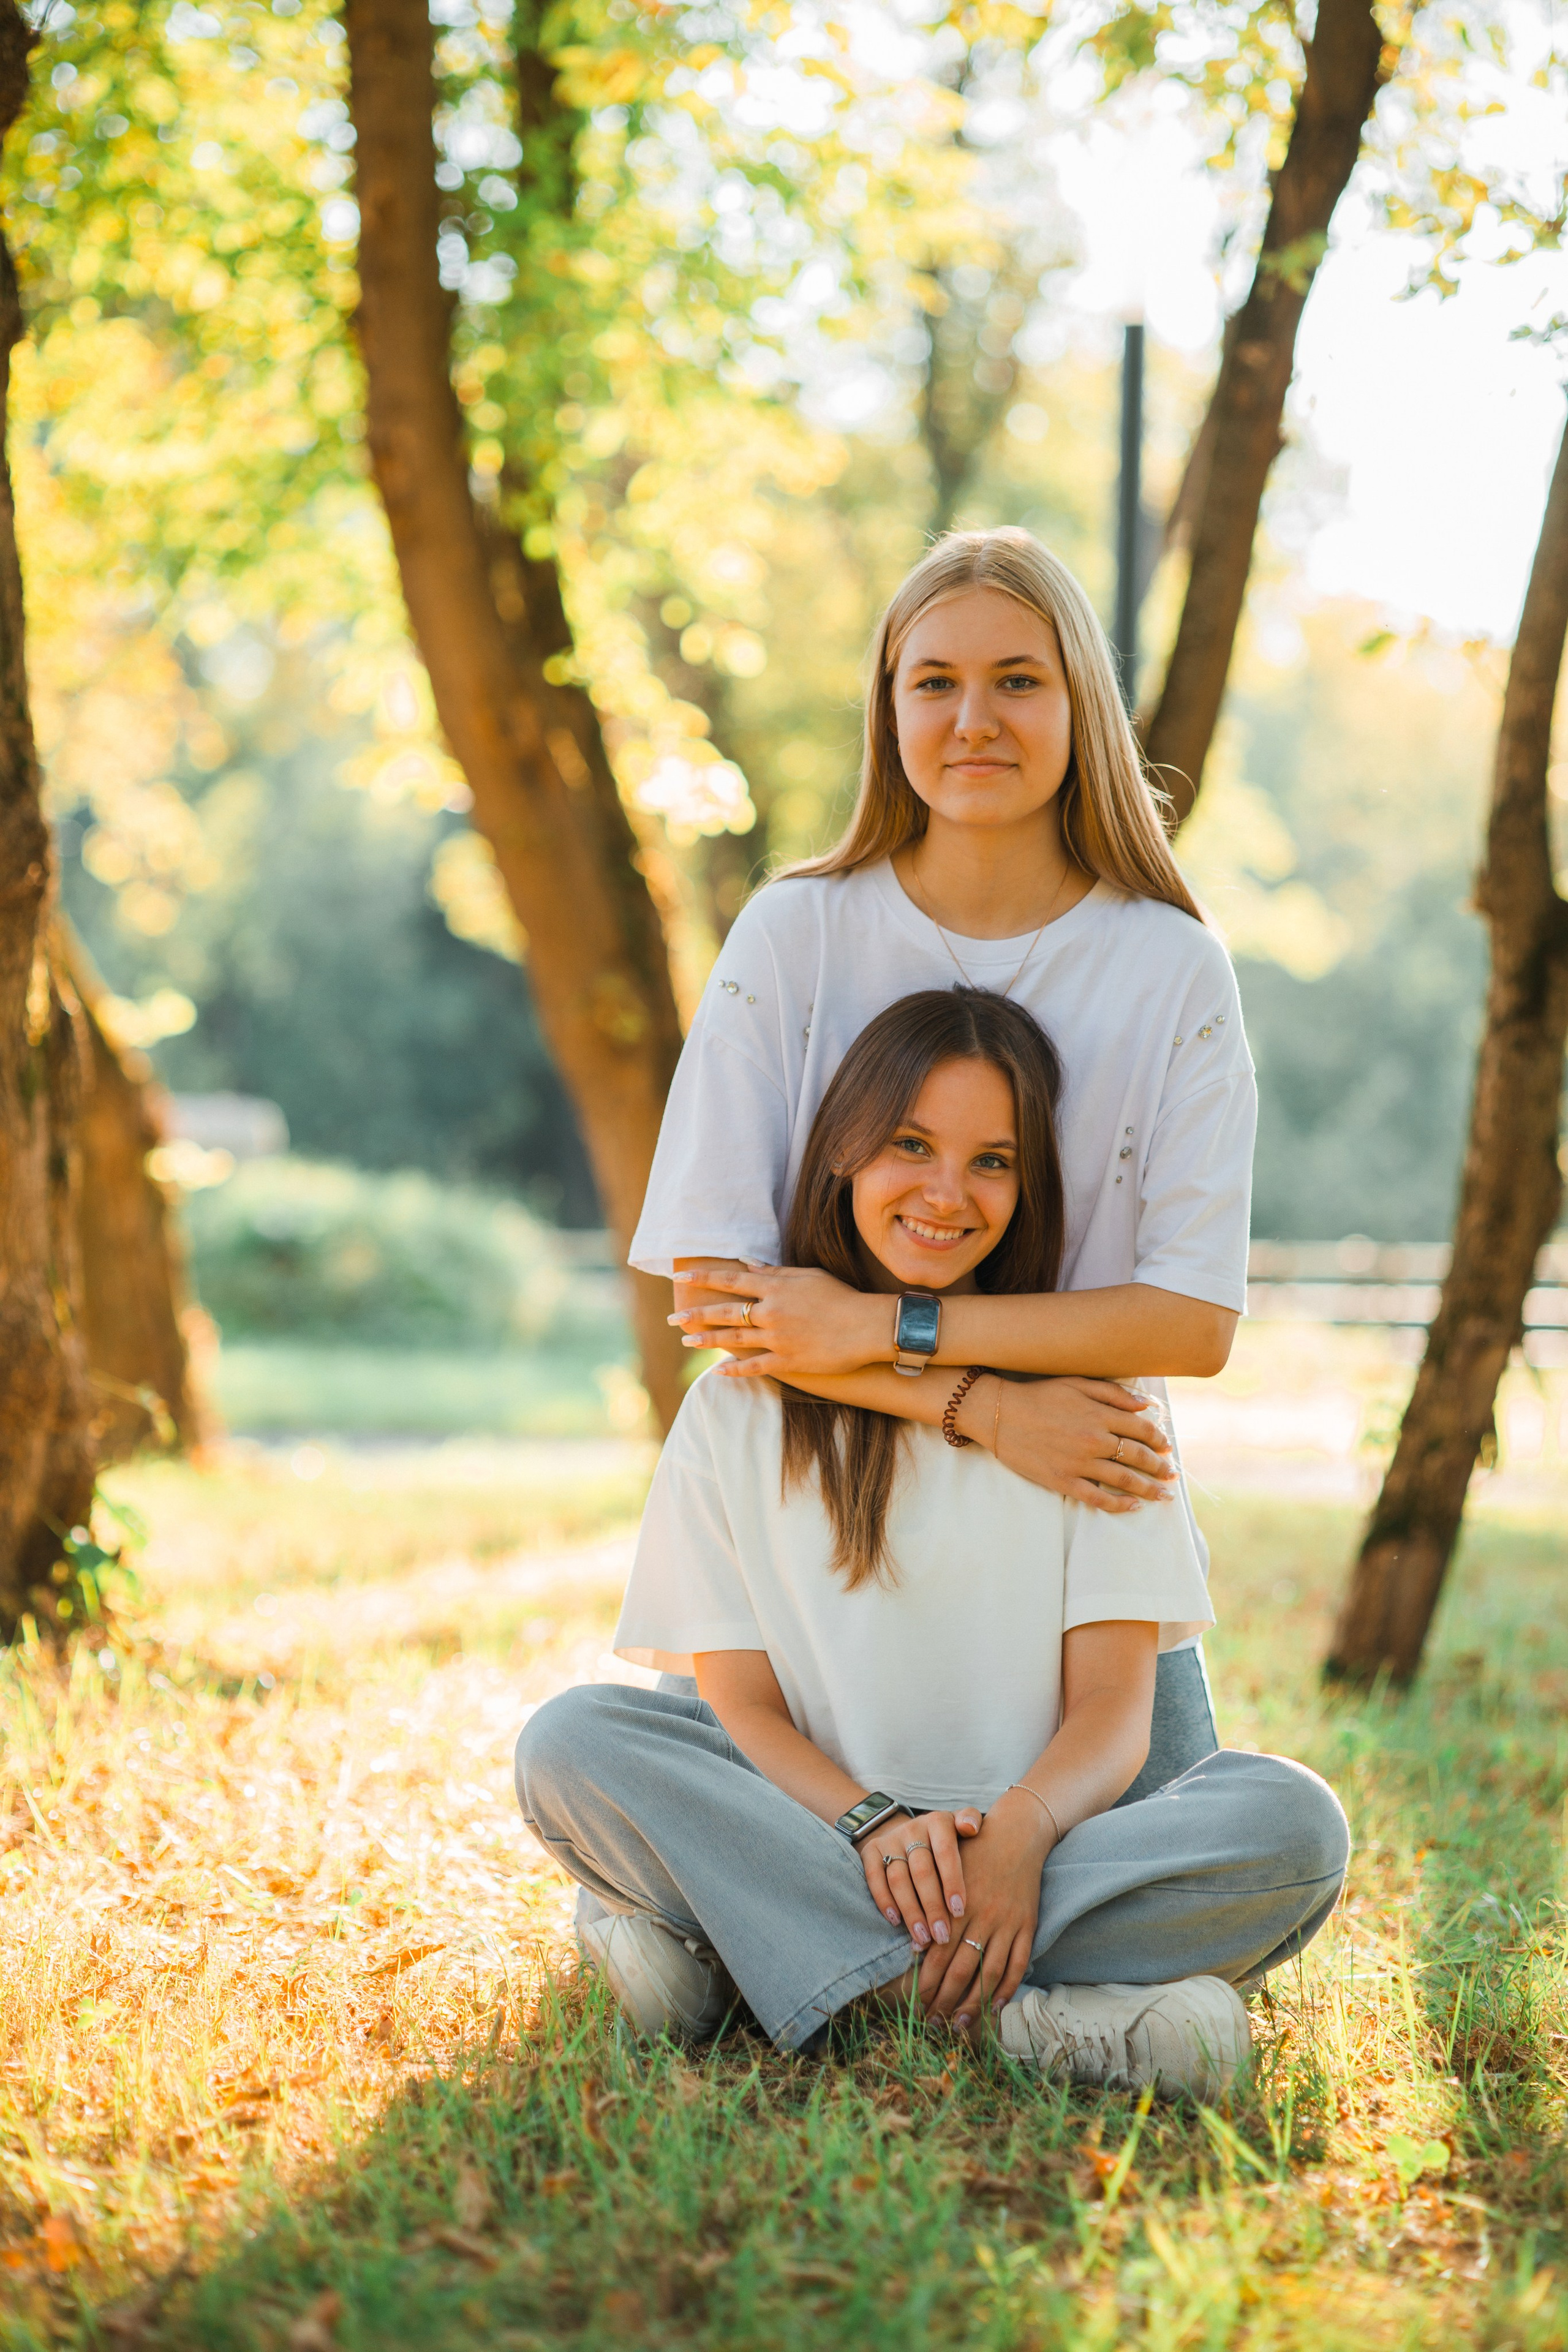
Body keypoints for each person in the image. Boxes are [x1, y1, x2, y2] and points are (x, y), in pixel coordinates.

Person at [516, 991, 1348, 2095]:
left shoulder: (1100, 1407)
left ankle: (754, 1963)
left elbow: (1112, 1712)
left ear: (1030, 1186)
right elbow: (741, 1706)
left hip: (1046, 1853)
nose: (947, 1193)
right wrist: (869, 1826)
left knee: (1295, 1827)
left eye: (992, 1161)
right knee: (570, 1745)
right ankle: (1021, 2025)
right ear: (844, 1155)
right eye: (911, 1144)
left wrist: (1017, 1836)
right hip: (822, 1826)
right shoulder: (739, 1410)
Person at [630, 527, 1257, 1800]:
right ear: (888, 708)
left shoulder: (1171, 967)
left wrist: (876, 1325)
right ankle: (881, 1933)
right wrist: (976, 1407)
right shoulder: (795, 932)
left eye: (1018, 680)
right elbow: (714, 1301)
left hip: (1079, 1526)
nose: (973, 718)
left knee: (1255, 1828)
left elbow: (1190, 1325)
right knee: (606, 1764)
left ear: (1079, 701)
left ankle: (876, 1935)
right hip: (814, 1510)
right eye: (934, 682)